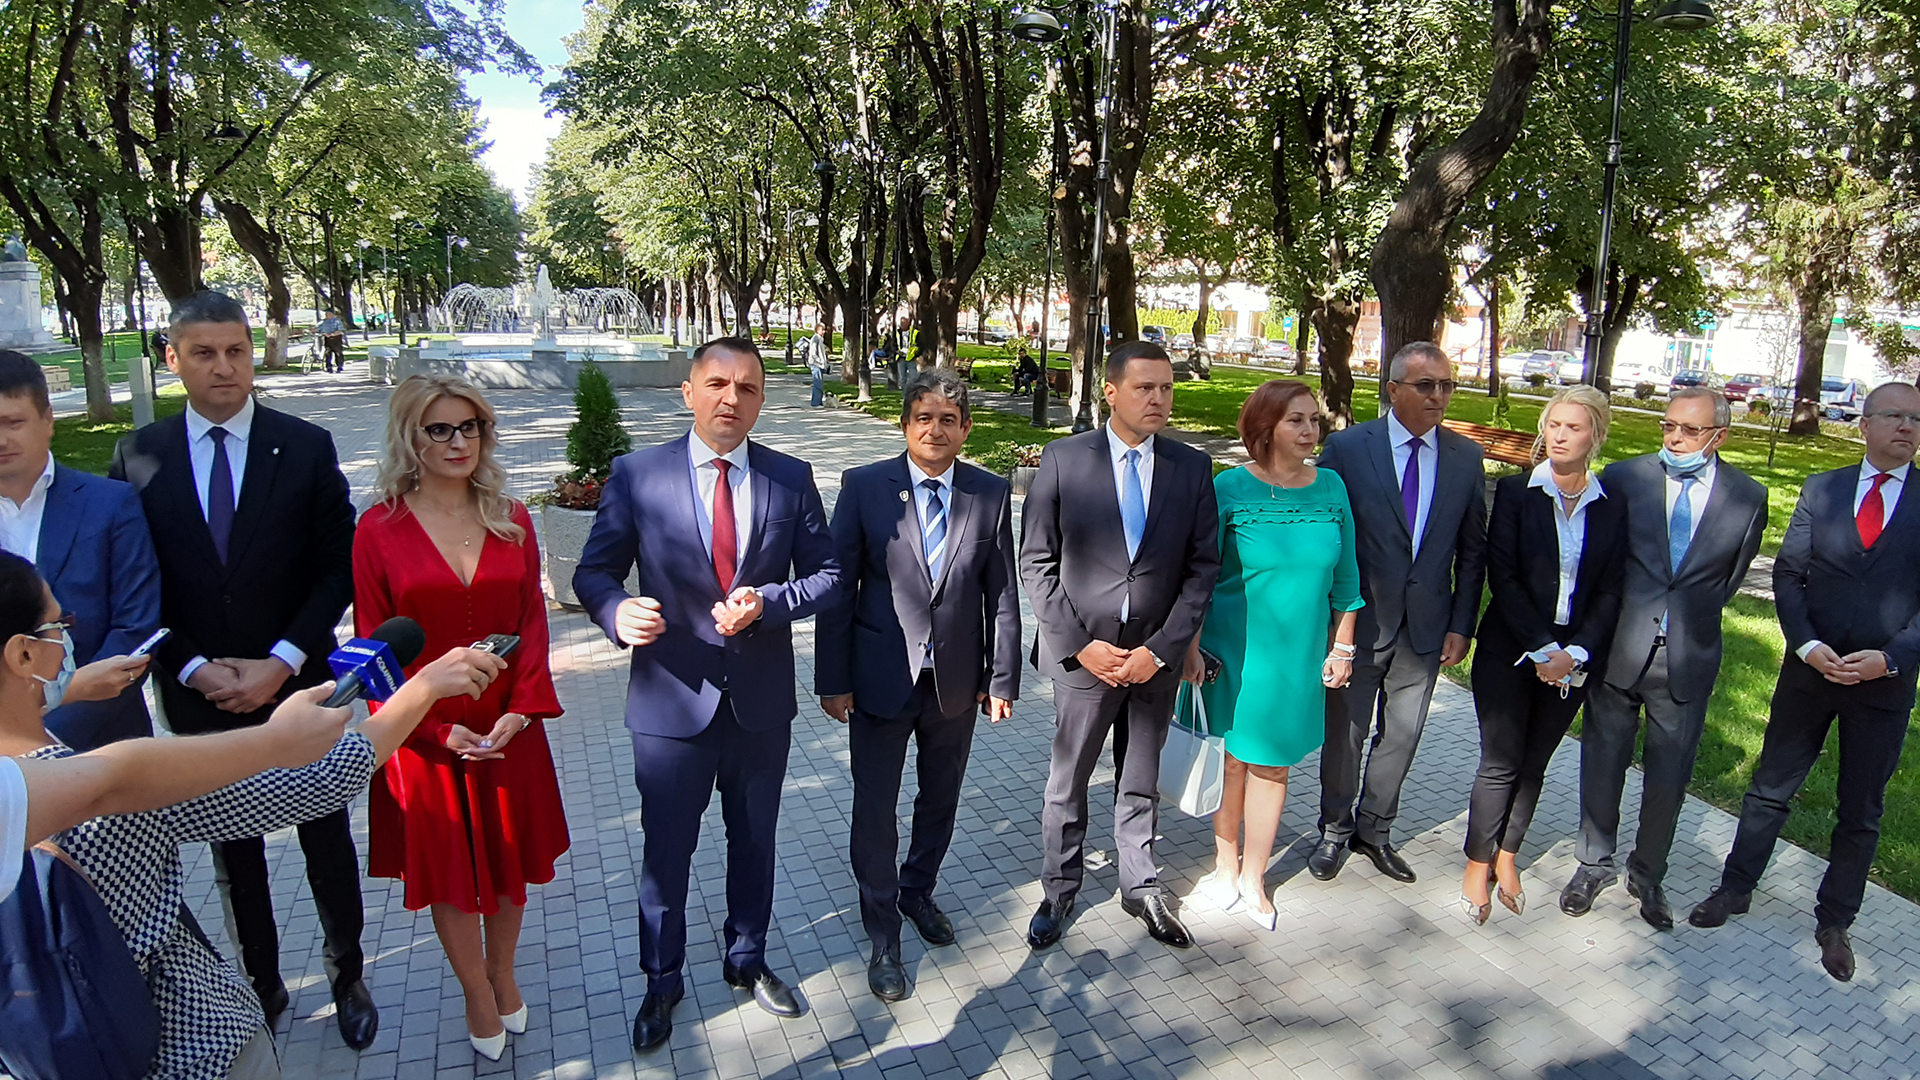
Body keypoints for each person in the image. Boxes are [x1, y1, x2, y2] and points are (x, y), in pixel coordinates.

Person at [0, 549, 508, 1080]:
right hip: (201, 1054)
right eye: (58, 625)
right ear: (22, 654)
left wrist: (63, 690)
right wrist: (424, 688)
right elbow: (320, 779)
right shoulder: (99, 803)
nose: (68, 638)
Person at [107, 290, 372, 1046]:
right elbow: (137, 582)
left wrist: (281, 662)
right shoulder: (138, 455)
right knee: (236, 849)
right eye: (204, 353)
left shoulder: (306, 445)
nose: (223, 367)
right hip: (199, 691)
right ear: (172, 359)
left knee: (325, 835)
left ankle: (348, 976)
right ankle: (262, 984)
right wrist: (191, 667)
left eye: (236, 351)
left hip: (297, 682)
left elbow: (337, 568)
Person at [573, 336, 842, 1051]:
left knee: (754, 842)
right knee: (667, 851)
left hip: (759, 703)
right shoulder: (637, 475)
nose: (732, 398)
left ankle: (746, 959)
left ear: (762, 399)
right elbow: (594, 572)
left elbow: (827, 575)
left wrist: (771, 602)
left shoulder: (790, 477)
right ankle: (661, 980)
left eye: (748, 387)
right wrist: (614, 611)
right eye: (718, 383)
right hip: (669, 702)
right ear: (688, 391)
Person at [353, 375, 570, 1059]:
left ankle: (503, 974)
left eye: (469, 427)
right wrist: (432, 728)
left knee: (510, 860)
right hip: (426, 735)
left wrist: (524, 709)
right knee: (448, 870)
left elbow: (532, 623)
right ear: (410, 437)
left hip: (507, 726)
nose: (458, 441)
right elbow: (372, 651)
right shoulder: (377, 529)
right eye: (440, 429)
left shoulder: (512, 516)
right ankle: (476, 991)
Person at [1689, 383, 1920, 982]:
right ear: (1864, 424)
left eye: (1916, 419)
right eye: (1895, 415)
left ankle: (1836, 921)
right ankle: (1736, 887)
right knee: (1770, 787)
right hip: (1810, 672)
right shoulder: (1822, 489)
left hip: (1882, 685)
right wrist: (1808, 646)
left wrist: (1891, 659)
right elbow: (1789, 574)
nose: (1907, 426)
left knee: (1860, 810)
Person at [815, 369, 1020, 1001]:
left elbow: (1002, 593)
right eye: (924, 418)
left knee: (940, 799)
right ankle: (883, 932)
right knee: (876, 808)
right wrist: (833, 678)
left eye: (948, 420)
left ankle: (917, 891)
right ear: (905, 424)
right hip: (879, 681)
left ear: (966, 429)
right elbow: (838, 588)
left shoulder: (988, 492)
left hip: (955, 684)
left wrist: (1002, 677)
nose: (936, 430)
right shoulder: (864, 486)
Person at [1020, 341, 1220, 953]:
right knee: (1068, 781)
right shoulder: (1064, 460)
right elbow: (1036, 562)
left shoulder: (1191, 467)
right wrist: (1079, 646)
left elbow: (1202, 569)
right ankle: (1060, 887)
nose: (1158, 399)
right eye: (1144, 388)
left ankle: (1140, 884)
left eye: (1166, 388)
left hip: (1153, 661)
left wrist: (1161, 650)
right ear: (1111, 391)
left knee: (1140, 778)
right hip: (1086, 661)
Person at [1565, 387, 1767, 927]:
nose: (1675, 438)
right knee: (1602, 761)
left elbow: (1727, 581)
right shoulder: (1625, 479)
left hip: (1687, 655)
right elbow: (1599, 563)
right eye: (1668, 426)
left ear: (1719, 436)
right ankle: (1592, 863)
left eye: (1690, 430)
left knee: (1669, 776)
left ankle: (1648, 873)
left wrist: (1683, 623)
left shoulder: (1748, 496)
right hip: (1620, 648)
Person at [1310, 340, 1487, 884]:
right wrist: (1331, 624)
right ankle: (1334, 830)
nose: (1439, 396)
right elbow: (1327, 536)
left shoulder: (1464, 457)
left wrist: (1462, 624)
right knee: (1346, 733)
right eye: (1425, 385)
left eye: (1446, 386)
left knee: (1403, 735)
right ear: (1392, 390)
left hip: (1427, 626)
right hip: (1359, 623)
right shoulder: (1348, 448)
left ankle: (1375, 830)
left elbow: (1473, 550)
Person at [1187, 380, 1361, 930]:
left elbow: (1347, 579)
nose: (1310, 431)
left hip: (1296, 655)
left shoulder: (1332, 487)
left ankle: (1254, 876)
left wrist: (1343, 646)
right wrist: (1190, 645)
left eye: (1314, 420)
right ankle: (1224, 864)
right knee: (1233, 760)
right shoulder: (1230, 487)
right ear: (1265, 427)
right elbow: (1200, 575)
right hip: (1232, 650)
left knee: (1273, 764)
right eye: (1296, 420)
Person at [1459, 388, 1625, 925]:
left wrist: (1573, 653)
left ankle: (1507, 858)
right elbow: (1502, 575)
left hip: (1574, 659)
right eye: (1553, 425)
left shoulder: (1612, 503)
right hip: (1511, 648)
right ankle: (1475, 864)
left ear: (1595, 436)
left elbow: (1611, 589)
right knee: (1500, 762)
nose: (1559, 436)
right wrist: (1543, 648)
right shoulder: (1515, 492)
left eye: (1573, 427)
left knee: (1535, 763)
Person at [0, 351, 160, 751]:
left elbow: (135, 627)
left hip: (104, 745)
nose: (1, 440)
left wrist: (51, 732)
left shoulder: (110, 504)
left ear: (48, 419)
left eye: (13, 423)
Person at [807, 324, 830, 407]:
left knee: (819, 383)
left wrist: (825, 360)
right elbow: (813, 353)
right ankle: (815, 402)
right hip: (815, 364)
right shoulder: (815, 338)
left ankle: (819, 401)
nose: (823, 332)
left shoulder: (820, 339)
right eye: (821, 330)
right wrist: (820, 361)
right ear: (817, 330)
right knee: (817, 384)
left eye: (824, 330)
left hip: (819, 364)